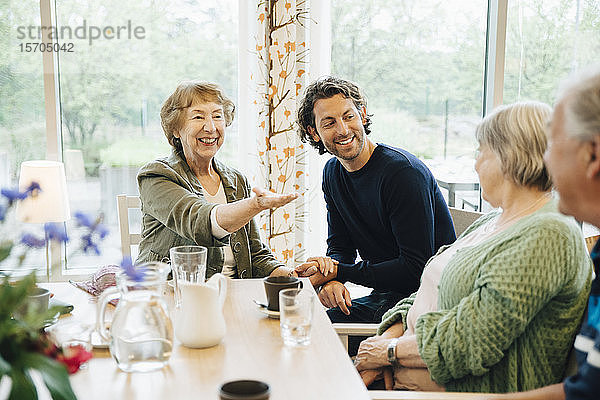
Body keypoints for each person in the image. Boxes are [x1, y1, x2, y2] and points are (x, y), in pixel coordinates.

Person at [353, 101, 593, 394]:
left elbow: (472, 340)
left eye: (482, 152)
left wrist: (390, 352)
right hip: (402, 379)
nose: (476, 163)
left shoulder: (548, 232)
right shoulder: (493, 220)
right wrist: (384, 344)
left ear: (509, 157)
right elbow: (427, 292)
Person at [295, 76, 456, 330]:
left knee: (312, 333)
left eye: (349, 116)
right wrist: (331, 278)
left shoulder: (403, 173)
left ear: (363, 115)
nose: (343, 130)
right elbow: (340, 244)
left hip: (425, 302)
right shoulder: (332, 172)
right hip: (385, 296)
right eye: (329, 123)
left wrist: (342, 272)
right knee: (297, 322)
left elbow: (416, 269)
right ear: (313, 132)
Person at [486, 68, 600, 400]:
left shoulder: (549, 233)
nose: (545, 159)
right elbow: (585, 391)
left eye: (552, 143)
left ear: (592, 154)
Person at [136, 81, 298, 279]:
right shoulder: (157, 175)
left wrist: (294, 275)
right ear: (176, 130)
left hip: (230, 295)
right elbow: (198, 220)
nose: (211, 127)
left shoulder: (237, 180)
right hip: (172, 295)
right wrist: (256, 205)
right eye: (198, 117)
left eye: (217, 116)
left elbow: (256, 255)